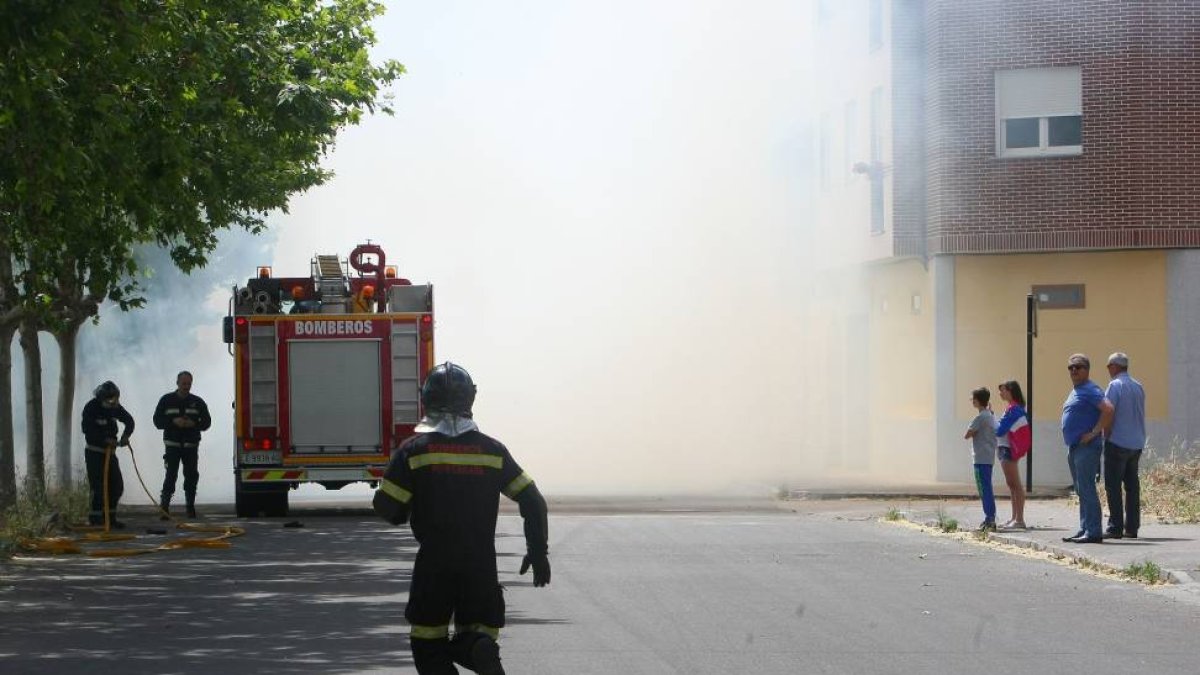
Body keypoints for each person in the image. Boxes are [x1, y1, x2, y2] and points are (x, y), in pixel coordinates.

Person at [373, 362, 550, 675]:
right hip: (481, 567)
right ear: (473, 398)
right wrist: (538, 551)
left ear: (423, 399)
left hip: (434, 567)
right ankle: (473, 648)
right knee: (478, 636)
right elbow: (533, 501)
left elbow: (389, 509)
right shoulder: (493, 451)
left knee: (428, 649)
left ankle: (470, 649)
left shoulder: (413, 452)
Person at [1060, 353, 1114, 544]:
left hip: (1087, 447)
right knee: (1081, 490)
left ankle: (1093, 531)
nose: (1074, 370)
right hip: (1075, 447)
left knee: (1087, 488)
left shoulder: (1090, 389)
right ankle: (1085, 528)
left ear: (1087, 370)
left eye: (1079, 366)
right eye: (1071, 367)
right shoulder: (1077, 390)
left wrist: (1093, 432)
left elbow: (1108, 409)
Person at [153, 371, 212, 519]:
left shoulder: (198, 402)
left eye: (189, 384)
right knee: (170, 475)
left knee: (191, 476)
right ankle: (165, 508)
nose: (186, 387)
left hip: (191, 446)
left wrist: (194, 423)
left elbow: (207, 423)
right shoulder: (166, 400)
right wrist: (173, 421)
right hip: (172, 445)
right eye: (183, 383)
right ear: (177, 383)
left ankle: (190, 508)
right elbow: (157, 421)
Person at [1103, 352, 1146, 539]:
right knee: (1132, 486)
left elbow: (1108, 411)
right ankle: (1132, 527)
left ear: (1114, 366)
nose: (1108, 370)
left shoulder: (1115, 385)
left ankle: (1115, 527)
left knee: (1113, 486)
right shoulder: (1138, 386)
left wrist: (1106, 433)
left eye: (1108, 366)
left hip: (1118, 440)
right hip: (1136, 442)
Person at [80, 381, 134, 528]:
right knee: (98, 487)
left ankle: (110, 517)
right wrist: (105, 440)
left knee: (116, 485)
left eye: (116, 399)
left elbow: (129, 421)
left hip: (110, 453)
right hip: (94, 453)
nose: (114, 403)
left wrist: (125, 436)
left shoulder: (114, 407)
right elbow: (87, 430)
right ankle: (96, 519)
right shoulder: (91, 408)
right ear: (102, 397)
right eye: (111, 400)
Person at [995, 380, 1031, 529]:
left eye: (1003, 390)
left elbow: (1000, 430)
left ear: (1011, 391)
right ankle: (1014, 517)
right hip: (1004, 448)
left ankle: (1020, 520)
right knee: (1011, 485)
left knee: (1015, 485)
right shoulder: (1011, 408)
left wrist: (990, 419)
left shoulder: (1014, 409)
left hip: (1008, 449)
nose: (1000, 393)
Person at [964, 386, 998, 532]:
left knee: (984, 489)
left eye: (973, 399)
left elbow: (967, 434)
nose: (972, 401)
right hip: (988, 457)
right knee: (987, 487)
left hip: (980, 458)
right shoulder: (990, 416)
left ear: (977, 401)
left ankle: (989, 518)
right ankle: (990, 517)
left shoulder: (979, 418)